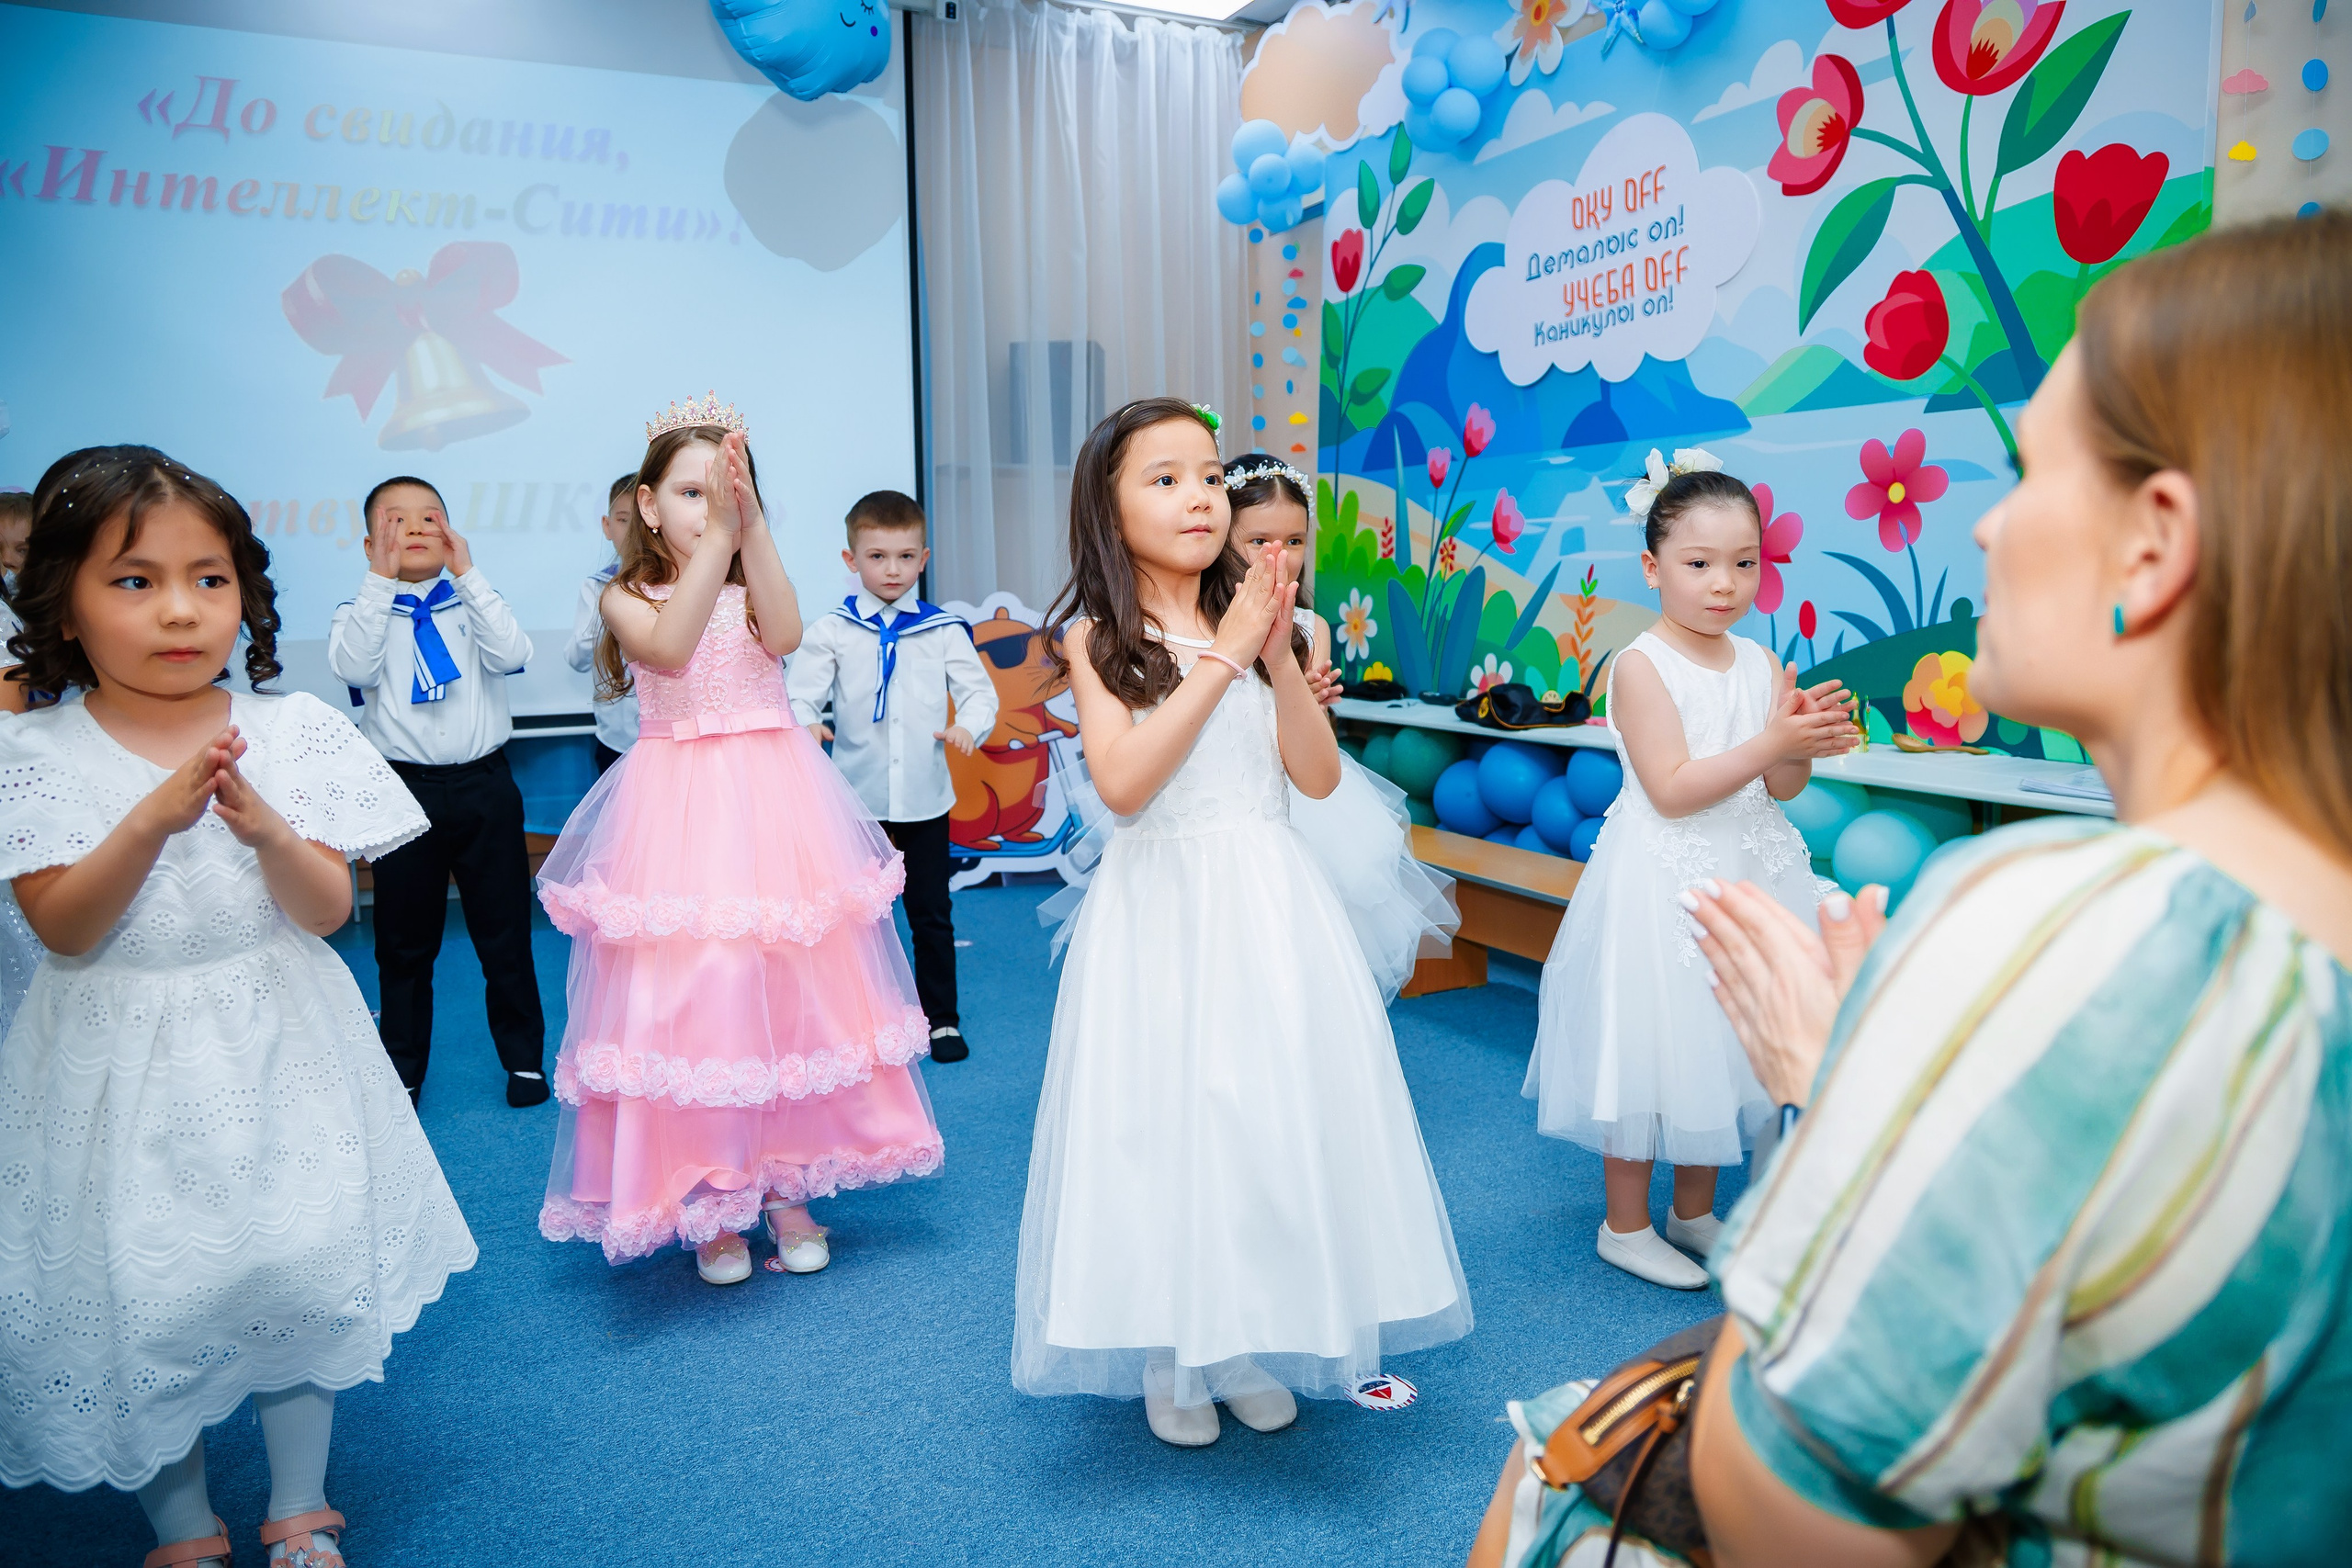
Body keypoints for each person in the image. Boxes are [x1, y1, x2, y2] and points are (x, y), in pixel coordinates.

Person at [1470, 212, 2352, 1568]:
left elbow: (1795, 1513)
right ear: (1654, 570)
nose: (1991, 521)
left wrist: (1844, 1100)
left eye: (2031, 470)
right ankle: (1641, 1208)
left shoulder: (2043, 921)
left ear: (2155, 541)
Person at [0, 447, 474, 1568]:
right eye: (134, 580)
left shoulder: (296, 727)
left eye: (209, 579)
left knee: (297, 1267)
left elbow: (321, 914)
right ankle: (184, 1529)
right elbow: (65, 928)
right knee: (147, 1295)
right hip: (117, 1063)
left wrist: (263, 830)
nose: (179, 610)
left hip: (278, 1043)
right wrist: (150, 823)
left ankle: (300, 1508)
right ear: (62, 602)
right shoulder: (31, 751)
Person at [1012, 398, 1471, 1448]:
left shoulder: (1286, 622)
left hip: (1269, 895)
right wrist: (1222, 652)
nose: (1197, 498)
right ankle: (1176, 1353)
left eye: (1209, 476)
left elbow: (1312, 779)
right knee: (1171, 1122)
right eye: (1162, 477)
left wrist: (1275, 657)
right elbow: (1124, 785)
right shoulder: (1096, 637)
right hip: (1165, 907)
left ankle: (1247, 1335)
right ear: (1107, 504)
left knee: (1266, 1117)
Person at [536, 397, 944, 1287]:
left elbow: (787, 635)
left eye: (724, 490)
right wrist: (719, 536)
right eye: (689, 492)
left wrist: (746, 530)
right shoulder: (622, 593)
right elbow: (674, 647)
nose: (708, 507)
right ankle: (712, 1195)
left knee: (785, 989)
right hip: (678, 805)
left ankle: (783, 1185)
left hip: (774, 796)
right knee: (701, 995)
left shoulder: (748, 569)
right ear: (648, 507)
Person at [1522, 455, 1855, 1291]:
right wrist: (1769, 745)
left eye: (1745, 563)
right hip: (1665, 882)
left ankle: (1694, 1212)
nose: (1725, 583)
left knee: (1722, 1045)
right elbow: (1670, 790)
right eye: (1699, 564)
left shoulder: (1754, 659)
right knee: (1653, 1049)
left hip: (1748, 868)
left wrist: (1799, 742)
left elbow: (1780, 786)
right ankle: (1624, 1224)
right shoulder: (1641, 666)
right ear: (1651, 567)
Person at [326, 475, 546, 1108]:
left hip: (485, 785)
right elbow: (354, 667)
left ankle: (523, 1061)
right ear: (371, 542)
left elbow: (512, 653)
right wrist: (380, 580)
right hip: (403, 793)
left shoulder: (474, 603)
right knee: (403, 943)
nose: (416, 529)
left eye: (430, 518)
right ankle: (403, 1068)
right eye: (397, 521)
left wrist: (468, 572)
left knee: (504, 933)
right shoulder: (358, 611)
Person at [1224, 452, 1457, 1003]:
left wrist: (1305, 701)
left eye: (1295, 541)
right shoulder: (1204, 623)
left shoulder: (1310, 626)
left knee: (1302, 953)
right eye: (1258, 541)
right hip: (1224, 793)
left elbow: (1308, 740)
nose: (1279, 556)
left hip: (1293, 795)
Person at [784, 489, 998, 1062]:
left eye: (905, 557)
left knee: (931, 912)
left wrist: (968, 728)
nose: (892, 569)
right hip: (855, 803)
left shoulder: (942, 629)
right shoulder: (830, 631)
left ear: (923, 559)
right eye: (877, 556)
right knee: (856, 917)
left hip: (927, 800)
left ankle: (942, 1020)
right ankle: (862, 1016)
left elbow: (979, 696)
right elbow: (798, 696)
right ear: (851, 560)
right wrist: (809, 725)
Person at [568, 473, 642, 776]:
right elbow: (577, 659)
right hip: (616, 742)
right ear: (607, 526)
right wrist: (607, 609)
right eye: (624, 520)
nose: (634, 531)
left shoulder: (683, 585)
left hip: (672, 738)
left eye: (641, 520)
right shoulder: (596, 587)